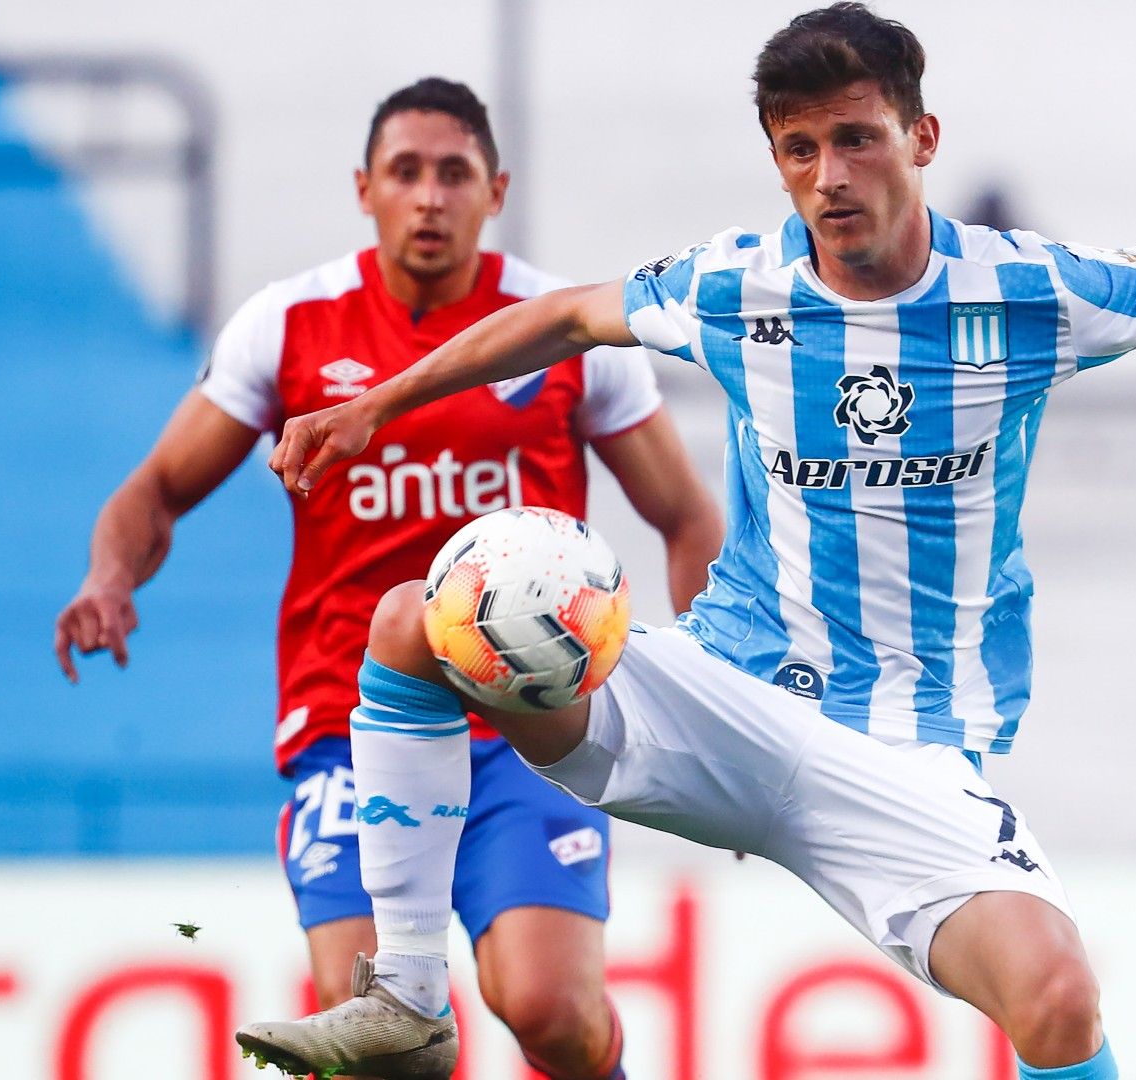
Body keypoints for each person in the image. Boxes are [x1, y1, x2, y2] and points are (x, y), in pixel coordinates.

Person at [243, 6, 1136, 1079]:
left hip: (909, 757)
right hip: (725, 694)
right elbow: (560, 318)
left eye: (853, 137)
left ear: (920, 135)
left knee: (1060, 996)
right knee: (416, 627)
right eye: (799, 149)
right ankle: (413, 999)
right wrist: (382, 402)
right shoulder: (736, 284)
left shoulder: (1029, 293)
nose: (827, 175)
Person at [56, 77, 723, 1080]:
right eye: (405, 173)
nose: (429, 197)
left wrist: (721, 702)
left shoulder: (563, 333)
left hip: (527, 727)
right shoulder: (288, 328)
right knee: (381, 1045)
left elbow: (685, 517)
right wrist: (110, 576)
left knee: (551, 1012)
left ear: (494, 191)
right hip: (345, 724)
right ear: (364, 188)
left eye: (453, 174)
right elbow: (153, 491)